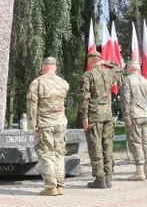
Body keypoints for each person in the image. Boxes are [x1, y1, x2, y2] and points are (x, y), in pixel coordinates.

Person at [79, 51, 123, 189]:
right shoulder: (108, 73)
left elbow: (84, 97)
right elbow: (119, 69)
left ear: (91, 60)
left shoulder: (88, 75)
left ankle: (100, 178)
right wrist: (106, 63)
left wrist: (84, 116)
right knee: (107, 146)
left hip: (94, 116)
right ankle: (108, 177)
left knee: (95, 146)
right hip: (107, 116)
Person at [26, 57, 69, 196]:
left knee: (46, 153)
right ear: (55, 67)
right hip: (60, 123)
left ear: (43, 67)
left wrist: (32, 122)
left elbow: (32, 104)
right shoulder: (63, 83)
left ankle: (51, 187)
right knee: (59, 153)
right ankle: (60, 185)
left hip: (44, 124)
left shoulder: (37, 83)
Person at [120, 60, 147, 180]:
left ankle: (139, 171)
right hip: (145, 114)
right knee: (146, 143)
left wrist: (126, 116)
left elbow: (125, 100)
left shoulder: (127, 80)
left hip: (134, 115)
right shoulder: (145, 80)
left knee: (135, 142)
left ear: (129, 68)